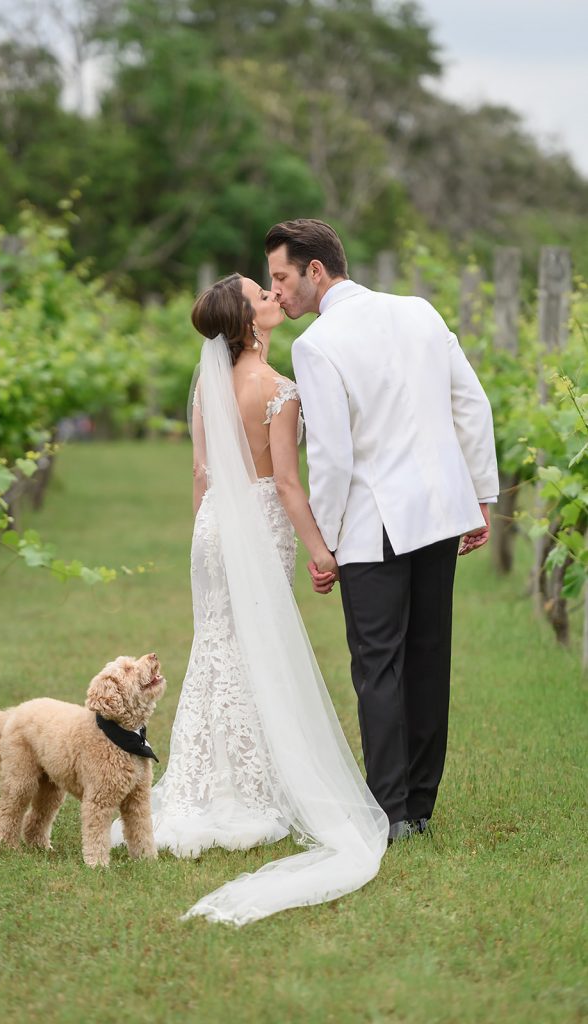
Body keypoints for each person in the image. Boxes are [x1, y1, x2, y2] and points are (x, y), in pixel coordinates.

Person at [111, 273, 388, 925]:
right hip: (259, 527)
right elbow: (289, 485)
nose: (274, 296)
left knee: (217, 649)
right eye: (262, 296)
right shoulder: (279, 390)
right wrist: (322, 551)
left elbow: (202, 476)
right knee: (254, 654)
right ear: (249, 323)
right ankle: (248, 791)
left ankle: (203, 784)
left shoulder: (212, 388)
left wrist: (204, 538)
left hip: (211, 532)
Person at [266, 219, 499, 844]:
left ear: (317, 270)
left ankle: (389, 812)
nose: (278, 293)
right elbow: (471, 403)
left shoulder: (315, 346)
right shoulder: (419, 311)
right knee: (428, 659)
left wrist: (328, 541)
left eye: (282, 278)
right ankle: (418, 808)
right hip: (441, 513)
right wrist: (479, 493)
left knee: (377, 670)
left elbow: (334, 459)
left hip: (374, 527)